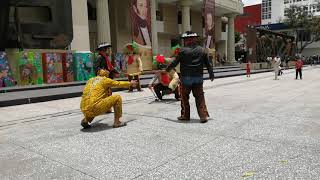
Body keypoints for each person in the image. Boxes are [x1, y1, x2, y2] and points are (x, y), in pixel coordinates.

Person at [166, 31, 215, 123]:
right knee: (199, 97)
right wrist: (211, 74)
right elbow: (208, 64)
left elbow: (174, 63)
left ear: (186, 40)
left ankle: (185, 115)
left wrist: (167, 70)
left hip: (186, 78)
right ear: (195, 39)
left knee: (184, 97)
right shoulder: (202, 50)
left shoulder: (182, 51)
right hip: (198, 77)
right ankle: (203, 116)